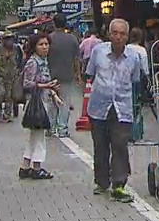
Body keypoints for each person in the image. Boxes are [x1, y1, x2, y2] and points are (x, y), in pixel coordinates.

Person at [85, 18, 146, 203]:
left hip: (122, 108)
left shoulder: (134, 57)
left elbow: (136, 80)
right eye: (115, 33)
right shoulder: (98, 51)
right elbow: (90, 73)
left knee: (120, 146)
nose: (118, 37)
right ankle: (102, 182)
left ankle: (119, 185)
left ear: (127, 37)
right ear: (109, 34)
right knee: (101, 146)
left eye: (122, 34)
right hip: (99, 107)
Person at [20, 33, 59, 180]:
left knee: (34, 136)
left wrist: (53, 93)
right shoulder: (33, 63)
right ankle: (36, 168)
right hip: (36, 104)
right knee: (39, 137)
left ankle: (25, 166)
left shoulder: (44, 62)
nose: (44, 47)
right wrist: (45, 85)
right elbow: (27, 83)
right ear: (34, 47)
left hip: (43, 101)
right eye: (41, 44)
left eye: (46, 44)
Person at [48, 15, 81, 137]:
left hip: (51, 76)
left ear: (54, 23)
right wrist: (77, 74)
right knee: (65, 103)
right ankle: (62, 129)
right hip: (67, 75)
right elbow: (76, 59)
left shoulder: (49, 39)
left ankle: (51, 127)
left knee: (51, 102)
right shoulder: (72, 39)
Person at [0, 35, 23, 122]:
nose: (9, 41)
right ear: (3, 40)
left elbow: (21, 58)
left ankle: (7, 114)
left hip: (12, 75)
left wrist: (19, 68)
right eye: (7, 39)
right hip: (0, 74)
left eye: (11, 39)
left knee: (9, 96)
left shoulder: (17, 48)